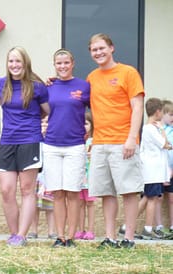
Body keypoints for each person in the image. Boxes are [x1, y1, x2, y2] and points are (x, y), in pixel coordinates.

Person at [87, 33, 145, 249]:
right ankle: (110, 237)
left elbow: (137, 106)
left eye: (102, 48)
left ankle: (129, 238)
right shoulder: (92, 77)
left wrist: (132, 138)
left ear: (112, 48)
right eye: (94, 50)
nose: (98, 53)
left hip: (123, 142)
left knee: (129, 191)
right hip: (100, 142)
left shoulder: (128, 73)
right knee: (106, 192)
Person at [0, 46, 50, 247]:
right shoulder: (1, 84)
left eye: (18, 61)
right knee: (6, 190)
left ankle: (22, 235)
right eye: (11, 61)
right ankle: (13, 233)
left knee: (27, 189)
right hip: (7, 141)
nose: (14, 65)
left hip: (30, 141)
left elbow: (47, 111)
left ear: (25, 63)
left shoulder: (37, 86)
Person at [43, 49, 90, 248]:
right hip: (52, 145)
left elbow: (95, 110)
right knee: (58, 193)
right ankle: (59, 236)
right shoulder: (48, 87)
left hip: (75, 146)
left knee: (73, 193)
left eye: (66, 63)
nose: (62, 66)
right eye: (58, 63)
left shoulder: (83, 86)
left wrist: (91, 130)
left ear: (73, 63)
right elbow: (40, 111)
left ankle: (71, 237)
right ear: (54, 65)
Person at [139, 98, 171, 239]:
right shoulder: (150, 128)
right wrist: (163, 130)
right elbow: (165, 144)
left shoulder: (150, 128)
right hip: (152, 171)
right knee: (152, 199)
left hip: (153, 171)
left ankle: (126, 226)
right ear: (158, 112)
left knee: (147, 198)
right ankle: (147, 229)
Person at [28, 117, 56, 240]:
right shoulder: (33, 139)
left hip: (49, 177)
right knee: (34, 206)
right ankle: (33, 230)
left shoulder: (53, 140)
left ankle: (51, 231)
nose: (44, 125)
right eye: (41, 122)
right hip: (36, 177)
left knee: (50, 206)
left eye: (47, 122)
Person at [74, 111, 96, 240]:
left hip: (90, 178)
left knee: (90, 204)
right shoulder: (76, 140)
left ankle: (91, 230)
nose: (84, 126)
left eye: (87, 123)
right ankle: (80, 229)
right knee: (80, 204)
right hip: (78, 177)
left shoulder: (94, 140)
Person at [154, 100, 173, 238]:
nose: (172, 118)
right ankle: (159, 226)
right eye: (170, 114)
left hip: (172, 169)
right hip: (160, 169)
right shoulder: (158, 130)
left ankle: (172, 226)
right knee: (158, 198)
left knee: (171, 198)